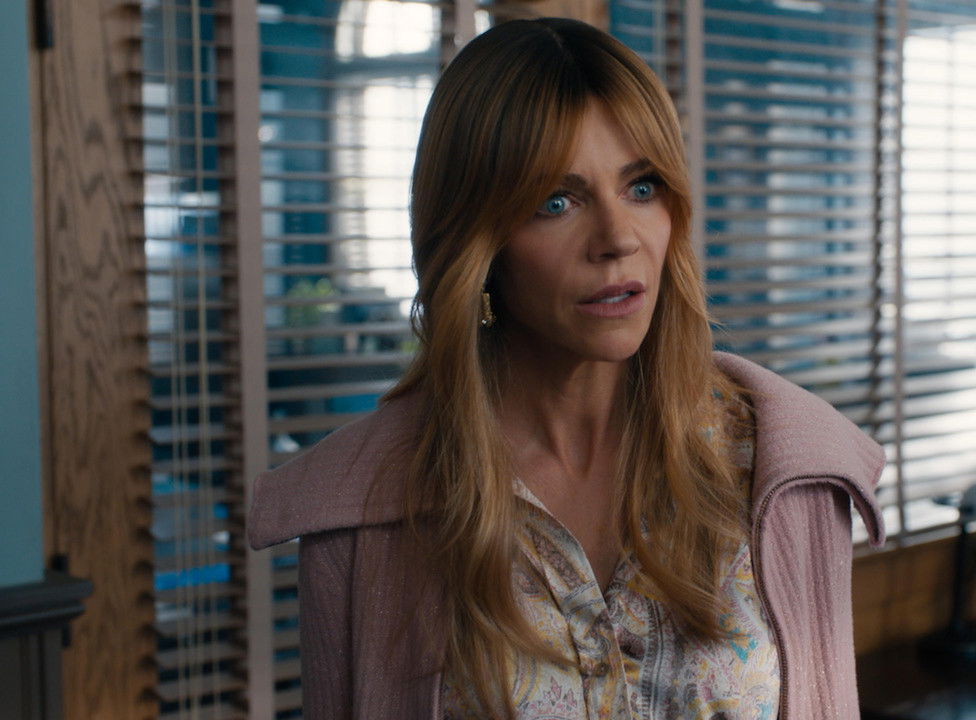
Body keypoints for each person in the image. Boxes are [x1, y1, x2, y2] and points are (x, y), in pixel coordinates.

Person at [248, 17, 886, 720]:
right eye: (556, 202)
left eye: (642, 187)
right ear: (477, 243)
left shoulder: (779, 473)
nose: (617, 238)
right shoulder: (369, 514)